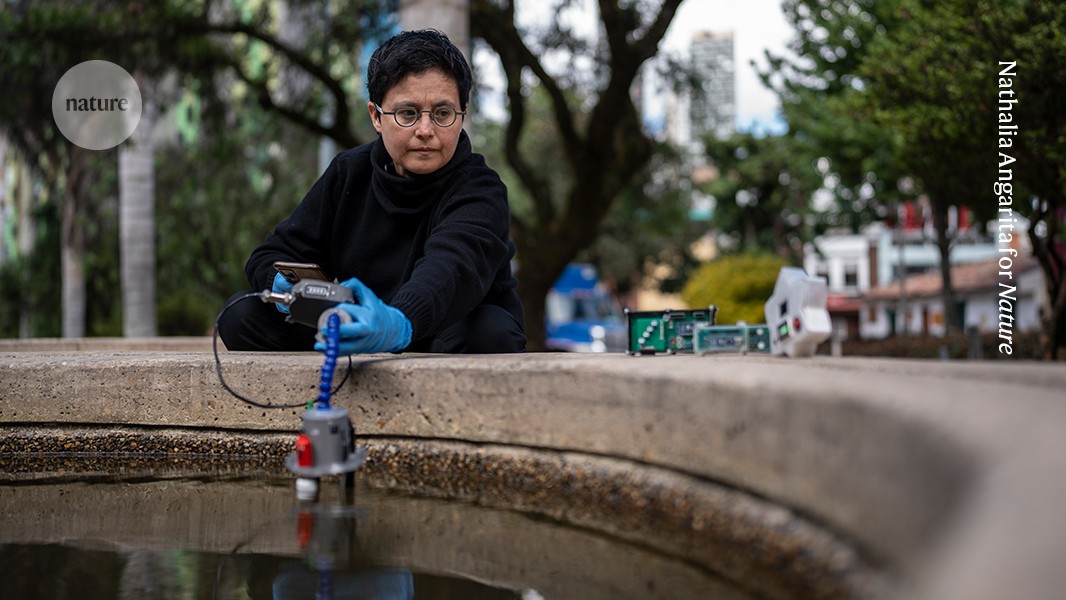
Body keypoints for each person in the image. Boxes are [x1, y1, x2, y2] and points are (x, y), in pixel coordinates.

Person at [219, 29, 526, 355]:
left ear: (462, 114)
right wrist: (282, 283)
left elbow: (451, 269)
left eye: (442, 113)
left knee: (491, 331)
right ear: (376, 117)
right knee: (242, 314)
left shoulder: (481, 189)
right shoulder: (349, 173)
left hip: (439, 336)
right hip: (358, 328)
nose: (425, 130)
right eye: (408, 113)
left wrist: (398, 322)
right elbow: (273, 254)